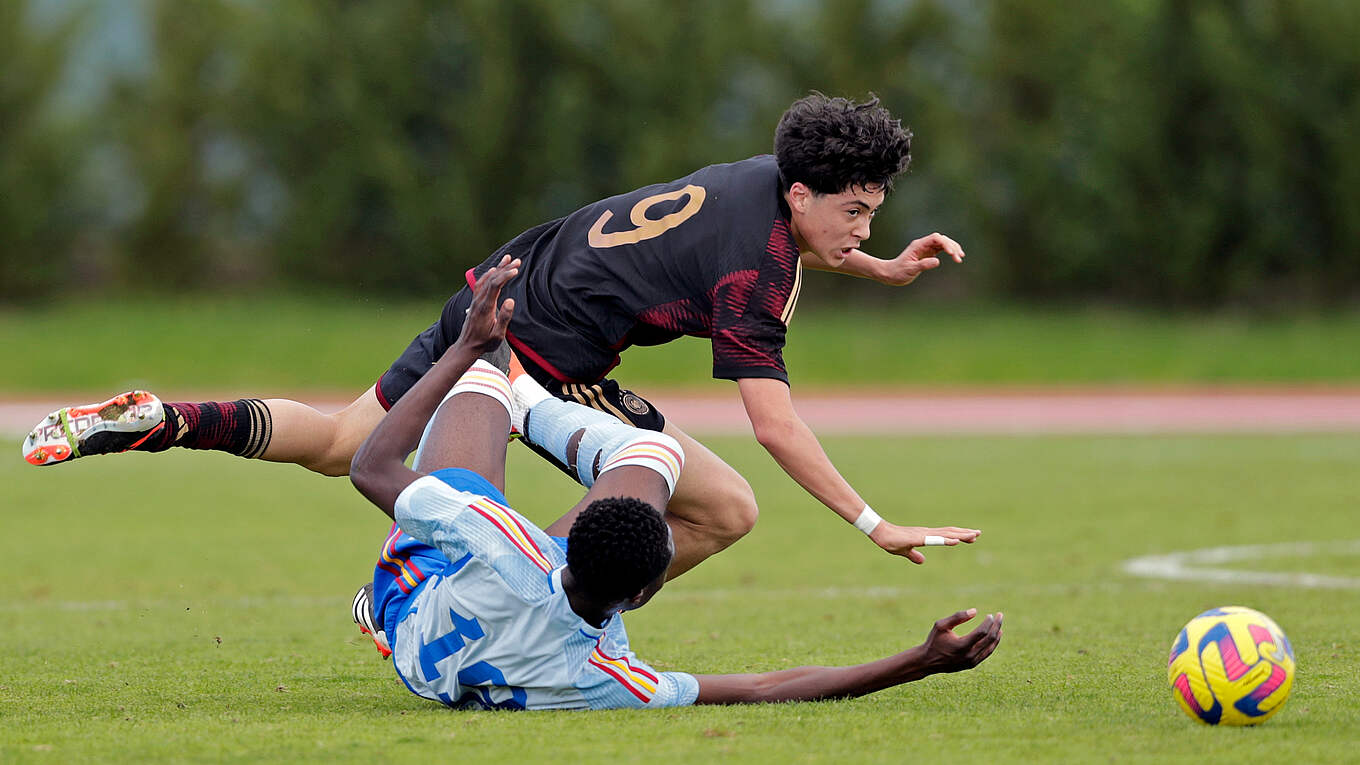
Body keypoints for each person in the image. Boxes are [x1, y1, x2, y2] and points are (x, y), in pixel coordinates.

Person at [23, 93, 978, 578]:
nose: (863, 227)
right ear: (805, 191)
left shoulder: (766, 180)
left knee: (341, 442)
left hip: (498, 290)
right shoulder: (757, 272)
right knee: (726, 509)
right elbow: (776, 426)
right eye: (855, 212)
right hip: (545, 356)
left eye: (875, 214)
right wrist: (873, 522)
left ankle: (164, 417)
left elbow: (801, 242)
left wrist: (878, 264)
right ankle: (489, 599)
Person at [349, 257, 1002, 710]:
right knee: (654, 455)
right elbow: (761, 688)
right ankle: (530, 401)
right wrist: (919, 660)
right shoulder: (605, 678)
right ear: (644, 591)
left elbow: (371, 467)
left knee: (490, 370)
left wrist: (464, 348)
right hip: (438, 662)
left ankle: (510, 389)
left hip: (415, 589)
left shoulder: (497, 535)